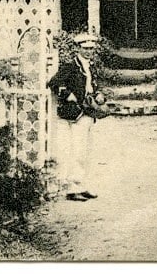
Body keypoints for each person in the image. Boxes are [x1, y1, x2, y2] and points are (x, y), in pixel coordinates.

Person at [47, 32, 107, 201]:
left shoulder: (91, 66)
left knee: (86, 151)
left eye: (91, 48)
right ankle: (72, 188)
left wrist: (100, 94)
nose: (88, 51)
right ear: (77, 48)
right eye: (84, 48)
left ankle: (82, 185)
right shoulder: (71, 66)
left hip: (88, 111)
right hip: (74, 113)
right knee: (76, 151)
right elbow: (53, 83)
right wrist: (68, 95)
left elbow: (94, 86)